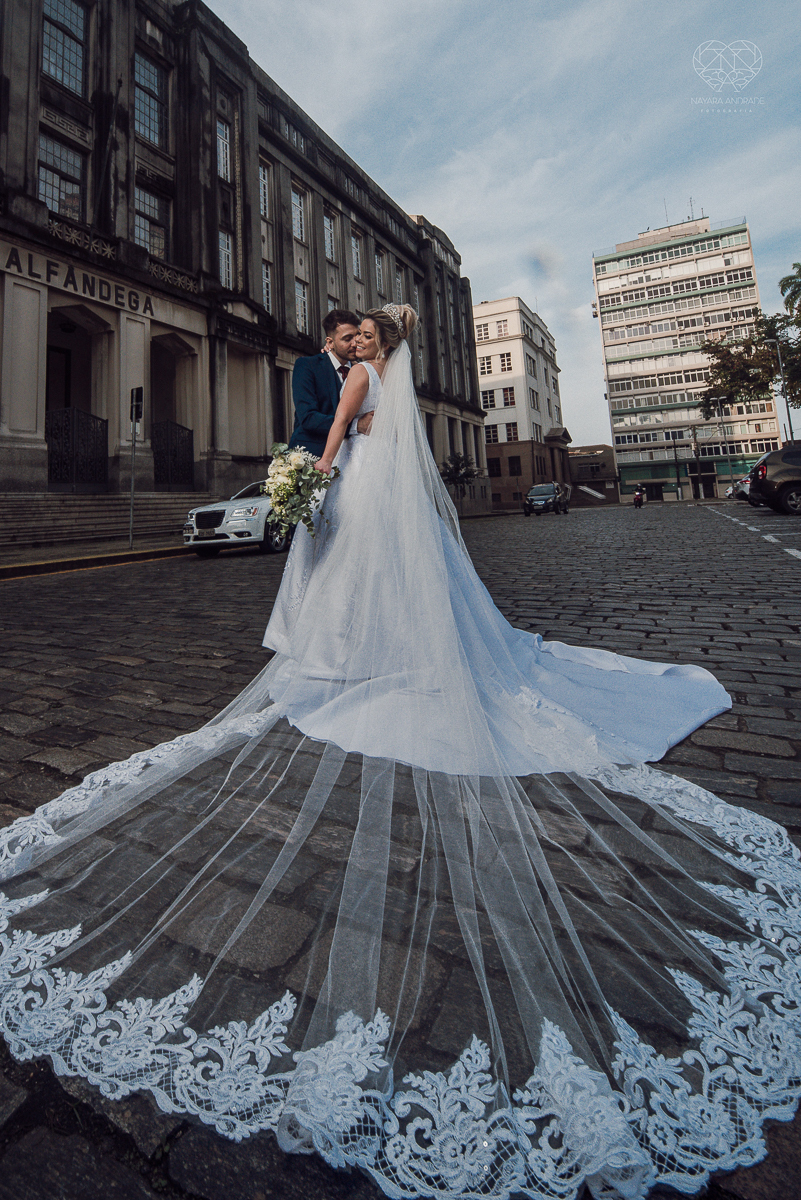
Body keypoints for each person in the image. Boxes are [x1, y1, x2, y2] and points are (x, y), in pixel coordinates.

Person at [1, 303, 800, 1200]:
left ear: (374, 343)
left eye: (368, 334)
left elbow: (341, 427)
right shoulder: (378, 374)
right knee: (380, 586)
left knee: (357, 586)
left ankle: (356, 657)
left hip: (356, 485)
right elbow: (351, 411)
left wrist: (320, 469)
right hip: (381, 496)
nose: (360, 343)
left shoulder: (360, 375)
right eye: (358, 334)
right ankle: (375, 652)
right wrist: (333, 440)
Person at [288, 308, 372, 458]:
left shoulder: (364, 371)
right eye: (347, 339)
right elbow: (308, 418)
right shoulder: (307, 366)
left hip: (354, 458)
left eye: (357, 336)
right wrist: (356, 425)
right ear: (330, 342)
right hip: (312, 457)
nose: (355, 343)